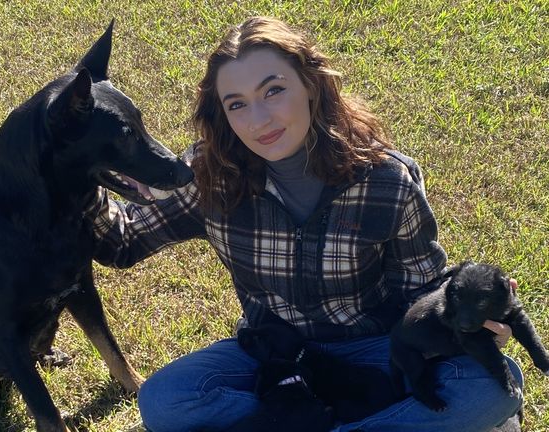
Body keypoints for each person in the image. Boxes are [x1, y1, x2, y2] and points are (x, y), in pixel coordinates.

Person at [88, 16, 523, 432]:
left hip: (378, 351)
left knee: (491, 389)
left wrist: (469, 314)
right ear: (222, 113)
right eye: (236, 104)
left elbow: (421, 288)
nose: (258, 120)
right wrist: (82, 175)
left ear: (312, 85)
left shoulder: (386, 181)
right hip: (275, 352)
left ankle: (291, 421)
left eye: (273, 90)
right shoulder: (211, 174)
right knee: (165, 401)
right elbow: (122, 242)